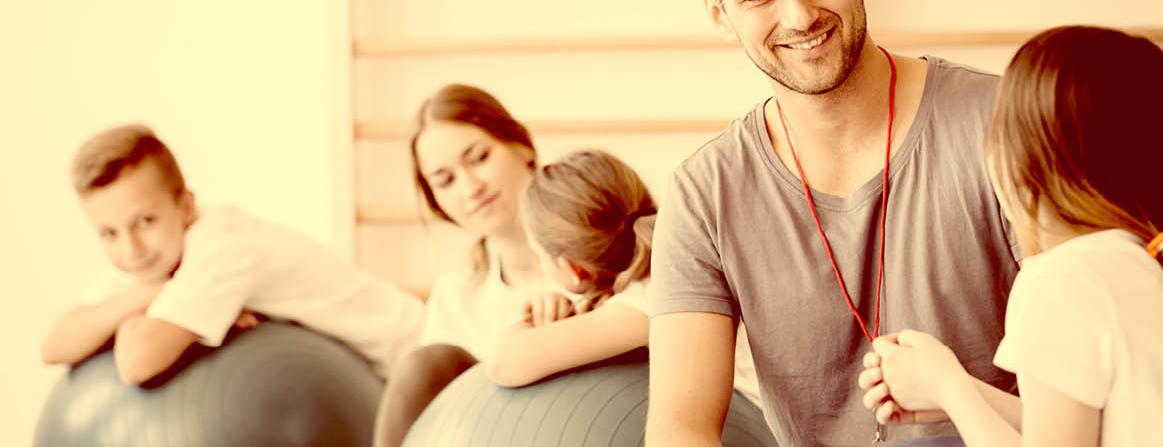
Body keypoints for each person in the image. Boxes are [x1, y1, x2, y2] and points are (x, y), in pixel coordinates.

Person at [646, 0, 1020, 445]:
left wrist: (953, 393)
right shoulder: (705, 193)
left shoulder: (1006, 125)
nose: (799, 16)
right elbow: (682, 429)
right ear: (719, 13)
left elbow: (1094, 398)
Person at [858, 26, 1163, 446]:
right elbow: (1078, 425)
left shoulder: (1060, 283)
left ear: (1017, 164)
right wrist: (959, 391)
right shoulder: (1138, 264)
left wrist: (951, 389)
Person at [40, 124, 424, 384]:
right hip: (378, 384)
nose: (131, 248)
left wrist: (140, 304)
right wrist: (147, 294)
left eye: (144, 221)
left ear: (186, 208)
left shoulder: (223, 249)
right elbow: (55, 345)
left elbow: (135, 362)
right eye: (108, 233)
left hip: (422, 356)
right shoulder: (149, 264)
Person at [487, 149, 766, 410]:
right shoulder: (679, 258)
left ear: (573, 269)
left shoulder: (646, 303)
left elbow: (504, 363)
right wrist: (560, 304)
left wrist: (527, 322)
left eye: (540, 255)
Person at [373, 84, 562, 446]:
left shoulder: (601, 262)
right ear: (436, 201)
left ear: (521, 147)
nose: (470, 187)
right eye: (445, 181)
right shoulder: (453, 296)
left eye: (478, 158)